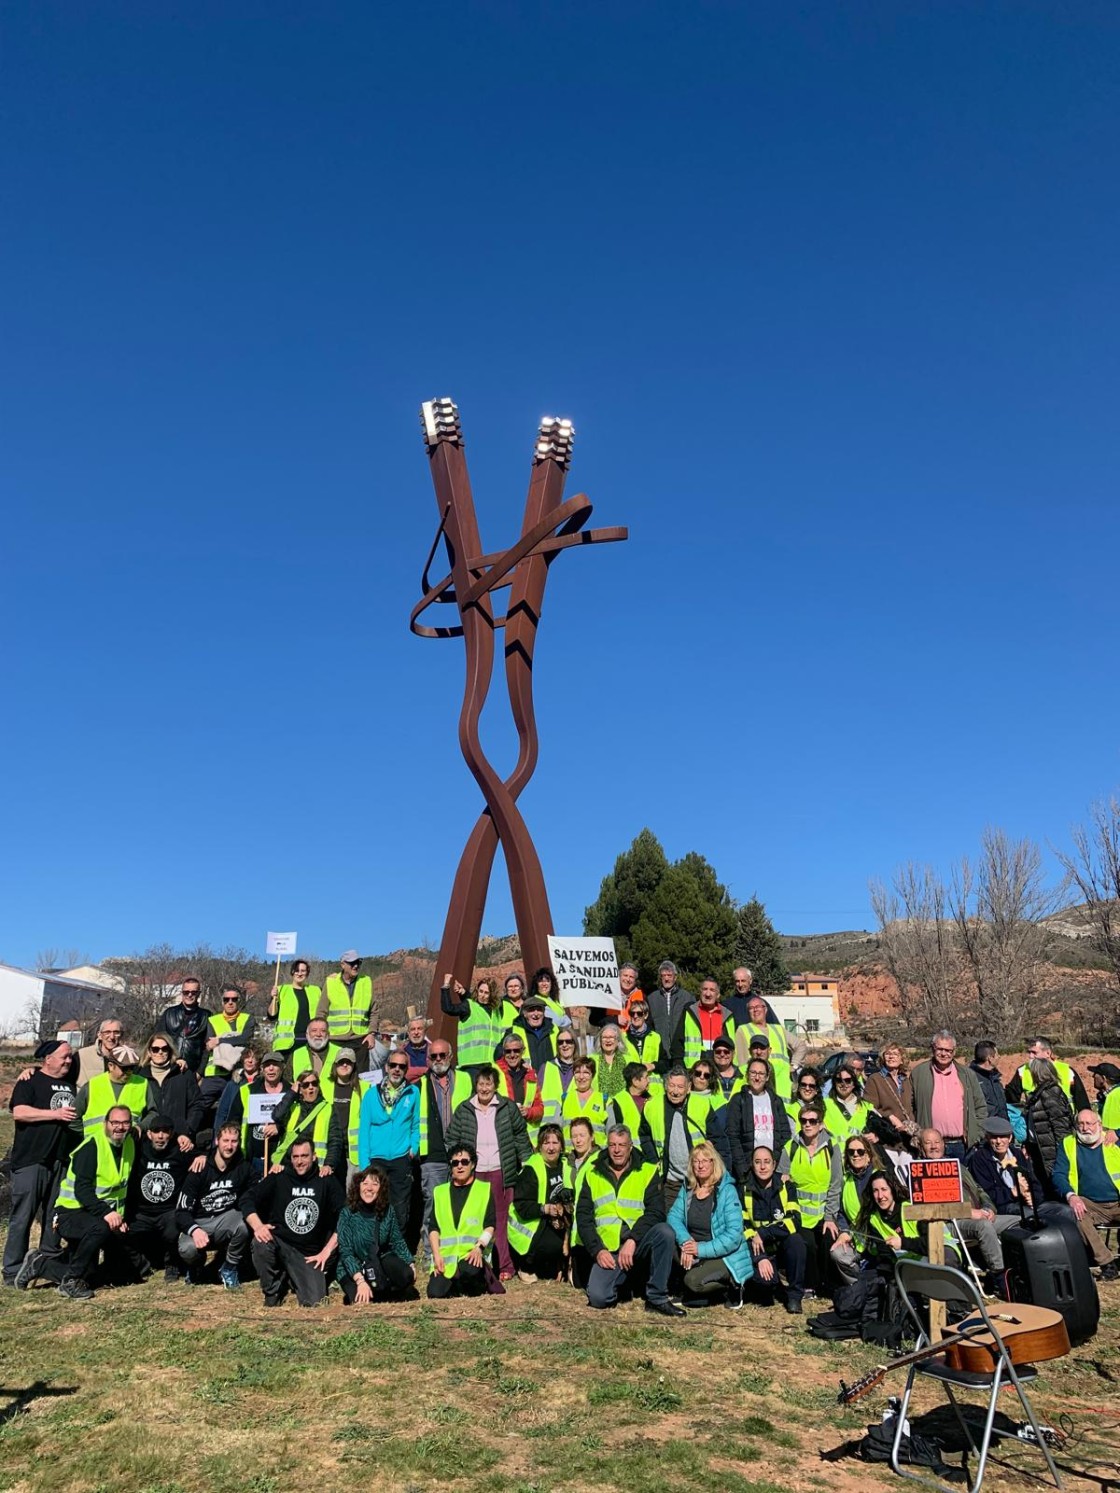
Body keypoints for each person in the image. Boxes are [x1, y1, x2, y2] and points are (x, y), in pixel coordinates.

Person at [16, 1105, 137, 1299]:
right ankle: (71, 1281)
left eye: (125, 1122)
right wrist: (108, 1214)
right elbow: (82, 1190)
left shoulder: (129, 1144)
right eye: (115, 1122)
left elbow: (118, 1188)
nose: (120, 1127)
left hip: (93, 1215)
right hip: (68, 1213)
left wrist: (120, 1218)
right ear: (106, 1123)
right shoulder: (92, 1147)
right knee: (99, 1230)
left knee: (109, 1276)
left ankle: (40, 1265)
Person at [577, 1124, 683, 1316]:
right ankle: (627, 1282)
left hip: (638, 1243)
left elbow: (656, 1212)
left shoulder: (647, 1171)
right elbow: (583, 1217)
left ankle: (657, 1297)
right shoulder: (592, 1173)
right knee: (599, 1298)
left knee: (665, 1232)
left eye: (622, 1145)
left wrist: (633, 1239)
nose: (617, 1150)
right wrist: (597, 1250)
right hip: (610, 1249)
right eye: (612, 1145)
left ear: (630, 1146)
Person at [444, 1064, 532, 1280]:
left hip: (500, 1172)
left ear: (495, 1086)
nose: (484, 1088)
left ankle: (506, 1266)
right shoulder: (465, 1109)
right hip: (474, 1174)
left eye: (488, 1084)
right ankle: (477, 1263)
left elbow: (520, 1135)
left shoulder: (507, 1107)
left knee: (501, 1220)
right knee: (476, 1220)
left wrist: (528, 1162)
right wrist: (459, 1163)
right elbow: (451, 1139)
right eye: (481, 1084)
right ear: (476, 1085)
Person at [4, 1039, 78, 1287]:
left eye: (70, 1056)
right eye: (64, 1056)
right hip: (31, 1159)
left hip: (59, 1159)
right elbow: (19, 1112)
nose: (69, 1060)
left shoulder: (70, 1084)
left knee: (53, 1215)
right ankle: (12, 1270)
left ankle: (48, 1262)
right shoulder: (30, 1081)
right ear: (48, 1059)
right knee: (22, 1215)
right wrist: (55, 1114)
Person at [243, 1137, 345, 1306]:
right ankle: (272, 1291)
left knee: (316, 1303)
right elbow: (247, 1199)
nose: (299, 1161)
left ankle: (291, 1276)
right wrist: (258, 1226)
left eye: (304, 1156)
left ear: (314, 1156)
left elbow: (346, 1215)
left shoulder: (325, 1180)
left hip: (308, 1254)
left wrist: (327, 1250)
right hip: (279, 1242)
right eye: (295, 1157)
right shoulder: (279, 1177)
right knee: (260, 1243)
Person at [918, 1126, 1008, 1288]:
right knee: (983, 1227)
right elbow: (931, 1208)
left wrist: (989, 1208)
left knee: (1019, 1222)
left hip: (980, 1214)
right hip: (950, 1224)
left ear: (943, 1145)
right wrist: (969, 1212)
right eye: (928, 1143)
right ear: (921, 1147)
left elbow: (979, 1189)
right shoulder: (921, 1172)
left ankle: (1017, 1272)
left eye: (937, 1142)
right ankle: (1000, 1279)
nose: (934, 1146)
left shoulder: (957, 1165)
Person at [668, 1139, 754, 1307]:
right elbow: (673, 1217)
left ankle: (731, 1286)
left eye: (704, 1161)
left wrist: (699, 1249)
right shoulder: (688, 1188)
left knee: (693, 1281)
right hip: (694, 1249)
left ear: (713, 1163)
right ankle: (683, 1288)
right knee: (665, 1237)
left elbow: (734, 1236)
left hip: (723, 1254)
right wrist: (686, 1242)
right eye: (696, 1161)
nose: (700, 1165)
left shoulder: (726, 1190)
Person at [415, 1038, 472, 1264]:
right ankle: (431, 1254)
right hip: (433, 1154)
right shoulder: (420, 1084)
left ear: (451, 1056)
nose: (438, 1060)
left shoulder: (466, 1079)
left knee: (462, 1204)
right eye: (433, 1056)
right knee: (433, 1206)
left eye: (442, 1055)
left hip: (462, 1152)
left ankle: (462, 1251)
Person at [175, 1122, 252, 1288]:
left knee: (245, 1224)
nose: (229, 1146)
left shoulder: (243, 1167)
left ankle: (229, 1267)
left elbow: (253, 1195)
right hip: (200, 1222)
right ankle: (195, 1266)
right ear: (217, 1141)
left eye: (234, 1141)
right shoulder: (200, 1167)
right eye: (225, 1140)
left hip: (225, 1220)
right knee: (187, 1249)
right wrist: (194, 1230)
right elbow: (181, 1211)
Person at [638, 1067, 724, 1211]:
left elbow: (718, 1138)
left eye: (680, 1087)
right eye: (671, 1086)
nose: (675, 1091)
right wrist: (653, 1160)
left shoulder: (701, 1104)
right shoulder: (652, 1106)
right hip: (671, 1181)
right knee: (671, 1225)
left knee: (699, 1223)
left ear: (689, 1088)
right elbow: (644, 1135)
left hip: (700, 1179)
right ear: (665, 1086)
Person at [778, 1103, 843, 1294]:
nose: (807, 1125)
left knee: (827, 1243)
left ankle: (827, 1284)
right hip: (799, 1214)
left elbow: (835, 1184)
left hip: (824, 1213)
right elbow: (782, 1180)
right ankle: (810, 1286)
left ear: (821, 1124)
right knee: (808, 1247)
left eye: (812, 1121)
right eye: (803, 1121)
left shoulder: (832, 1147)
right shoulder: (791, 1147)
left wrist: (830, 1217)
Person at [123, 1113, 195, 1281]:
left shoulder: (180, 1150)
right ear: (149, 1134)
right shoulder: (138, 1148)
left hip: (169, 1211)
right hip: (141, 1211)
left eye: (165, 1131)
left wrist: (200, 1156)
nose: (160, 1136)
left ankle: (172, 1264)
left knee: (173, 1229)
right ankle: (142, 1265)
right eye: (156, 1131)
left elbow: (204, 1156)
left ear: (171, 1134)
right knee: (122, 1233)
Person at [1052, 1110, 1120, 1278]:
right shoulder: (1068, 1144)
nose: (1085, 1128)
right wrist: (1071, 1196)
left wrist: (1117, 1132)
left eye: (1089, 1124)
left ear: (1099, 1125)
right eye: (1080, 1124)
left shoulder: (1113, 1140)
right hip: (1090, 1203)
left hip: (1117, 1201)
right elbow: (1058, 1175)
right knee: (1077, 1213)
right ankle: (1107, 1263)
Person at [357, 1050, 419, 1231]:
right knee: (374, 1207)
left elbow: (416, 1125)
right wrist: (364, 1166)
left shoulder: (413, 1092)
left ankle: (396, 1252)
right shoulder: (371, 1095)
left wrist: (413, 1148)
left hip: (401, 1159)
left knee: (400, 1209)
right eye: (393, 1065)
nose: (397, 1070)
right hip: (376, 1160)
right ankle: (374, 1251)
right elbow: (364, 1132)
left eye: (402, 1066)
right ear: (386, 1067)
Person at [902, 1030, 989, 1160]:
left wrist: (975, 1135)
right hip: (930, 1146)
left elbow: (980, 1107)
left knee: (964, 1180)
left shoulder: (967, 1074)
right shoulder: (919, 1073)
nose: (944, 1054)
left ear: (954, 1052)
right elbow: (908, 1106)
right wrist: (917, 1133)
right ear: (933, 1048)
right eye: (940, 1049)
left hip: (962, 1145)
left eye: (948, 1050)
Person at [336, 1164, 417, 1303]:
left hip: (379, 1258)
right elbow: (346, 1251)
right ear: (358, 1186)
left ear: (381, 1188)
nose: (369, 1188)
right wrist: (360, 1281)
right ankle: (374, 1289)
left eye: (375, 1184)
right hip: (354, 1266)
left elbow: (397, 1240)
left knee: (406, 1275)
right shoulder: (347, 1213)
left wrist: (410, 1263)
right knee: (359, 1299)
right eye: (365, 1183)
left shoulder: (388, 1211)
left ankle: (386, 1290)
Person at [742, 1144, 807, 1312]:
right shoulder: (743, 1190)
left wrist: (763, 1232)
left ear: (774, 1164)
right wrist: (760, 1258)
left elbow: (794, 1221)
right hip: (758, 1250)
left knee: (797, 1241)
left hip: (781, 1248)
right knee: (765, 1287)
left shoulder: (787, 1186)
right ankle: (769, 1283)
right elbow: (744, 1228)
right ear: (752, 1164)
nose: (762, 1167)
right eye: (758, 1162)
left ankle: (794, 1297)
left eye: (766, 1162)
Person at [427, 1144, 497, 1298]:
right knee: (435, 1293)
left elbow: (490, 1225)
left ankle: (481, 1278)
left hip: (472, 1255)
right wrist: (437, 1255)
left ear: (472, 1164)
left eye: (464, 1162)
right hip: (447, 1260)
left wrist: (479, 1247)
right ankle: (455, 1283)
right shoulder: (440, 1192)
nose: (460, 1166)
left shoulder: (484, 1189)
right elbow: (433, 1228)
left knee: (470, 1274)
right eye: (455, 1163)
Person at [508, 1123, 573, 1282]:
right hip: (532, 1225)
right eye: (546, 1143)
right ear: (539, 1146)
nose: (551, 1148)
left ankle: (564, 1266)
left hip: (559, 1221)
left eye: (555, 1143)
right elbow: (521, 1206)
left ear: (561, 1146)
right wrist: (545, 1208)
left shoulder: (568, 1166)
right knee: (553, 1246)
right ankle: (526, 1265)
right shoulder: (531, 1169)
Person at [728, 1057, 792, 1183]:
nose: (757, 1078)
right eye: (753, 1073)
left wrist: (774, 1161)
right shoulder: (738, 1100)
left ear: (767, 1077)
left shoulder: (775, 1101)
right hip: (748, 1170)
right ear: (747, 1075)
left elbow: (785, 1134)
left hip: (772, 1168)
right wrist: (743, 1169)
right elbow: (732, 1137)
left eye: (761, 1074)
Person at [967, 1115, 1043, 1219]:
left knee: (1062, 1211)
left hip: (1025, 1203)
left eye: (1003, 1136)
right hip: (1003, 1207)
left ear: (1010, 1138)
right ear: (988, 1138)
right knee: (1032, 1215)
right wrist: (1012, 1192)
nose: (999, 1141)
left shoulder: (1017, 1154)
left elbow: (1034, 1183)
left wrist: (1032, 1197)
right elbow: (986, 1194)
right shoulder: (979, 1159)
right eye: (994, 1137)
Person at [829, 1134, 881, 1285]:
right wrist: (844, 1232)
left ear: (869, 1154)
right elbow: (841, 1213)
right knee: (838, 1253)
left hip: (879, 1239)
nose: (856, 1155)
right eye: (851, 1152)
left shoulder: (879, 1178)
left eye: (860, 1151)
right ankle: (859, 1286)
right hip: (857, 1240)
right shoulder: (845, 1180)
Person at [226, 1050, 289, 1174]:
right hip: (251, 1158)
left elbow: (298, 1123)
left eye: (275, 1065)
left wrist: (280, 1127)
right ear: (262, 1069)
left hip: (281, 1160)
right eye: (267, 1065)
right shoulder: (247, 1091)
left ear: (283, 1067)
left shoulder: (291, 1093)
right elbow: (233, 1122)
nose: (271, 1069)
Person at [139, 1034, 203, 1148]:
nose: (160, 1052)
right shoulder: (140, 1076)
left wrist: (187, 1131)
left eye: (165, 1048)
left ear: (170, 1051)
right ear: (149, 1052)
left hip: (179, 1139)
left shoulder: (183, 1074)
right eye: (155, 1049)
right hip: (147, 1141)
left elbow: (197, 1105)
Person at [1021, 1057, 1076, 1187]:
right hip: (1041, 1147)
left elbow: (1060, 1125)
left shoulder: (1051, 1093)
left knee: (1054, 1183)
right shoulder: (1039, 1093)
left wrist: (1062, 1152)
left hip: (1051, 1149)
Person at [73, 1044, 147, 1137]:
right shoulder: (92, 1085)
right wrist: (87, 1136)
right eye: (124, 1068)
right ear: (111, 1066)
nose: (129, 1072)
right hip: (96, 1146)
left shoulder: (142, 1083)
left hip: (128, 1144)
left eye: (131, 1068)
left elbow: (153, 1113)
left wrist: (140, 1127)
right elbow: (73, 1118)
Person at [440, 973, 505, 1077]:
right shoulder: (468, 1006)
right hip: (471, 1064)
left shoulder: (496, 1011)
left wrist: (464, 993)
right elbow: (448, 1008)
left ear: (492, 995)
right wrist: (446, 986)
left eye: (486, 993)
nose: (482, 995)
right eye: (480, 991)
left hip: (492, 1064)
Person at [201, 985, 256, 1107]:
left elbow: (245, 1039)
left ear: (239, 1002)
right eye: (226, 1000)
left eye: (234, 999)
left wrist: (220, 1040)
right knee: (199, 1107)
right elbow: (210, 1044)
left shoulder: (248, 1019)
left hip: (240, 1072)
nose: (230, 1002)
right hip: (214, 1074)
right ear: (222, 1002)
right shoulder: (212, 1020)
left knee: (235, 1109)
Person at [1005, 1038, 1091, 1113]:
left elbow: (1082, 1102)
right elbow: (1011, 1099)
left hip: (1064, 1121)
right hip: (1036, 1123)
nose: (1031, 1056)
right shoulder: (1023, 1071)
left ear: (1048, 1053)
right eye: (1029, 1052)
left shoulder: (1067, 1071)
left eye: (1034, 1052)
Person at [733, 993, 792, 1100]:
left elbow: (800, 1045)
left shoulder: (778, 1029)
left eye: (758, 1007)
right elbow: (741, 1064)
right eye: (751, 1008)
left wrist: (794, 1065)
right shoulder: (743, 1030)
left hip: (782, 1087)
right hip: (757, 1088)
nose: (755, 1010)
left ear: (765, 1010)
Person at [322, 1050, 369, 1179]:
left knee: (352, 1194)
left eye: (348, 1062)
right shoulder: (323, 1085)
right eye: (341, 1062)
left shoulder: (365, 1087)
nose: (344, 1065)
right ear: (335, 1065)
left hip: (353, 1155)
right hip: (329, 1152)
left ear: (354, 1065)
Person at [317, 950, 376, 1048]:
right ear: (343, 965)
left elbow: (374, 1011)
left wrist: (371, 1033)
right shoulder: (331, 983)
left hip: (360, 1040)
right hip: (334, 1040)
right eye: (352, 963)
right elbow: (321, 1012)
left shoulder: (366, 982)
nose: (356, 966)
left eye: (358, 962)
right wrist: (321, 1034)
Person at [671, 977, 734, 1068]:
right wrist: (679, 1066)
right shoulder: (690, 1011)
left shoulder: (727, 1015)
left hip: (720, 1067)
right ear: (700, 992)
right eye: (705, 989)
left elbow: (732, 1046)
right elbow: (677, 1043)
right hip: (693, 1068)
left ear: (718, 995)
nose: (708, 994)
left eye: (712, 990)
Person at [155, 976, 211, 1074]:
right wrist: (172, 1060)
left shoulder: (206, 1016)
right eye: (186, 992)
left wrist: (200, 1072)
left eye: (193, 992)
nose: (189, 995)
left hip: (193, 1070)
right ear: (182, 993)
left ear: (199, 994)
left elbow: (207, 1047)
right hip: (169, 1067)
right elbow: (157, 1040)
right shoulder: (169, 1013)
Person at [861, 1043, 917, 1138]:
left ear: (902, 1060)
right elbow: (869, 1107)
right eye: (887, 1054)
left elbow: (911, 1106)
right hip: (887, 1133)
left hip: (907, 1133)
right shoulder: (875, 1079)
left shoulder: (905, 1080)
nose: (891, 1057)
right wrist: (890, 1117)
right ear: (883, 1058)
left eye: (895, 1054)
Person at [268, 959, 320, 1053]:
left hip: (310, 1042)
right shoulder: (281, 989)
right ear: (292, 972)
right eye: (297, 970)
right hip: (286, 1045)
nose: (299, 974)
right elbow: (272, 1016)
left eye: (303, 971)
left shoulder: (316, 991)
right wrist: (273, 998)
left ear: (307, 973)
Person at [495, 1034, 544, 1137]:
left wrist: (528, 1112)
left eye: (516, 1050)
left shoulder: (530, 1074)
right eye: (508, 1051)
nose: (512, 1055)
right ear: (503, 1052)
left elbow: (539, 1108)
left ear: (523, 1051)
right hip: (503, 1134)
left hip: (526, 1136)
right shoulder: (495, 1071)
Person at [561, 1057, 610, 1149]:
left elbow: (612, 1134)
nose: (581, 1077)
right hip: (570, 1158)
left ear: (593, 1075)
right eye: (577, 1072)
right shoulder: (564, 1098)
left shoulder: (604, 1100)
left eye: (586, 1073)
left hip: (597, 1158)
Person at [503, 994, 559, 1073]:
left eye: (539, 1009)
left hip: (550, 1079)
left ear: (544, 1013)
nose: (536, 1014)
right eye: (531, 1010)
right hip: (525, 1080)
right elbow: (499, 1056)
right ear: (525, 1014)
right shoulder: (513, 1030)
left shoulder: (554, 1029)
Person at [537, 1028, 581, 1127]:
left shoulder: (582, 1069)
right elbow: (535, 1099)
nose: (564, 1045)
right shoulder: (546, 1067)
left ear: (575, 1044)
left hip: (574, 1128)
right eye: (560, 1042)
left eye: (568, 1041)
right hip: (549, 1129)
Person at [646, 960, 693, 1052]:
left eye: (669, 975)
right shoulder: (651, 998)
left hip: (681, 1048)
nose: (666, 979)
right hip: (659, 1049)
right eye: (663, 976)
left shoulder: (687, 997)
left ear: (675, 977)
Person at [821, 1064, 875, 1143]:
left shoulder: (867, 1106)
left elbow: (884, 1132)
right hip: (834, 1153)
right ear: (834, 1083)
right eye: (839, 1080)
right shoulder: (823, 1105)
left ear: (854, 1083)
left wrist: (875, 1136)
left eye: (847, 1080)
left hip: (858, 1153)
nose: (843, 1084)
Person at [74, 1016, 125, 1087]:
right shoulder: (82, 1055)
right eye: (107, 1032)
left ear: (121, 1035)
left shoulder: (128, 1058)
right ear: (99, 1035)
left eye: (116, 1032)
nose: (112, 1037)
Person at [289, 1019, 344, 1084]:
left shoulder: (340, 1052)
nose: (318, 1034)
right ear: (307, 1034)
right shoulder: (296, 1054)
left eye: (323, 1031)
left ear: (328, 1034)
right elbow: (287, 1081)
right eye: (314, 1030)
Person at [620, 998, 665, 1077]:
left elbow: (665, 1063)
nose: (635, 1016)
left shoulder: (656, 1037)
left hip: (652, 1087)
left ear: (646, 1015)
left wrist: (653, 1066)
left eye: (639, 1013)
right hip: (630, 1086)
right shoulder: (622, 1037)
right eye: (632, 1013)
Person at [609, 1063, 654, 1137]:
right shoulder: (619, 1101)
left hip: (648, 1147)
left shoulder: (651, 1099)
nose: (649, 1081)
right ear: (635, 1081)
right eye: (646, 1077)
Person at [969, 1042, 1010, 1121]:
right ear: (990, 1058)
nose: (999, 1057)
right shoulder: (972, 1079)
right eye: (997, 1055)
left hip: (1002, 1127)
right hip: (986, 1129)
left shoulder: (994, 1077)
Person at [594, 1024, 628, 1100]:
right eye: (604, 1037)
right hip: (598, 1104)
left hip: (623, 1104)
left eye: (611, 1037)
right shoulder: (592, 1060)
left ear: (618, 1040)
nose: (608, 1040)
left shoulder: (628, 1060)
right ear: (600, 1040)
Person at [711, 1036, 744, 1101]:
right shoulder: (707, 1075)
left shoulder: (743, 1075)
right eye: (718, 1051)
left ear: (733, 1054)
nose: (722, 1054)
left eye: (726, 1052)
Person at [1090, 1062, 1120, 1133]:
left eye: (1095, 1074)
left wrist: (1117, 1134)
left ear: (1103, 1078)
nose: (1092, 1076)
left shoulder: (1116, 1094)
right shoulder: (1106, 1096)